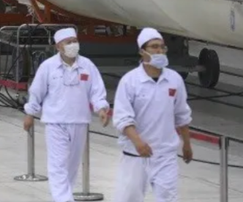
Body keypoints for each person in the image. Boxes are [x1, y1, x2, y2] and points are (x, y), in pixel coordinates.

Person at [23, 27, 110, 202]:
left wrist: (101, 108)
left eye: (75, 41)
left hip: (79, 121)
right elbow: (37, 91)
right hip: (55, 122)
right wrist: (30, 113)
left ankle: (63, 196)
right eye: (68, 42)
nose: (73, 45)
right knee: (58, 165)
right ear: (58, 47)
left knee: (71, 166)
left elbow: (96, 91)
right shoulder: (48, 67)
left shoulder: (87, 66)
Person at [112, 27, 193, 202]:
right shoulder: (130, 81)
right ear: (142, 51)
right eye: (154, 47)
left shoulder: (174, 79)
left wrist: (186, 143)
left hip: (165, 154)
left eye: (162, 47)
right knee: (129, 198)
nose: (159, 51)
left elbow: (181, 114)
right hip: (135, 154)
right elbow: (123, 118)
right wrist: (138, 143)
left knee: (168, 198)